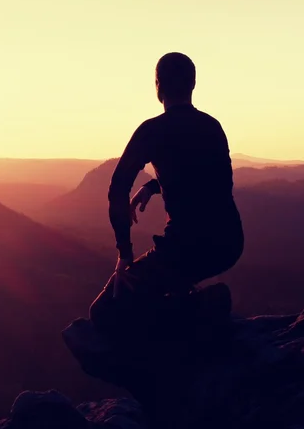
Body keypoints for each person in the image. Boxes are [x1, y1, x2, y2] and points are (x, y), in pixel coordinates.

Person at [90, 52, 243, 326]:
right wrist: (152, 186)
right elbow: (211, 181)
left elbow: (117, 189)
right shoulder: (212, 127)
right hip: (228, 244)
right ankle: (190, 300)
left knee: (103, 313)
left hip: (185, 248)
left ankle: (202, 305)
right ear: (193, 85)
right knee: (164, 283)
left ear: (158, 86)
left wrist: (124, 253)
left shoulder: (152, 131)